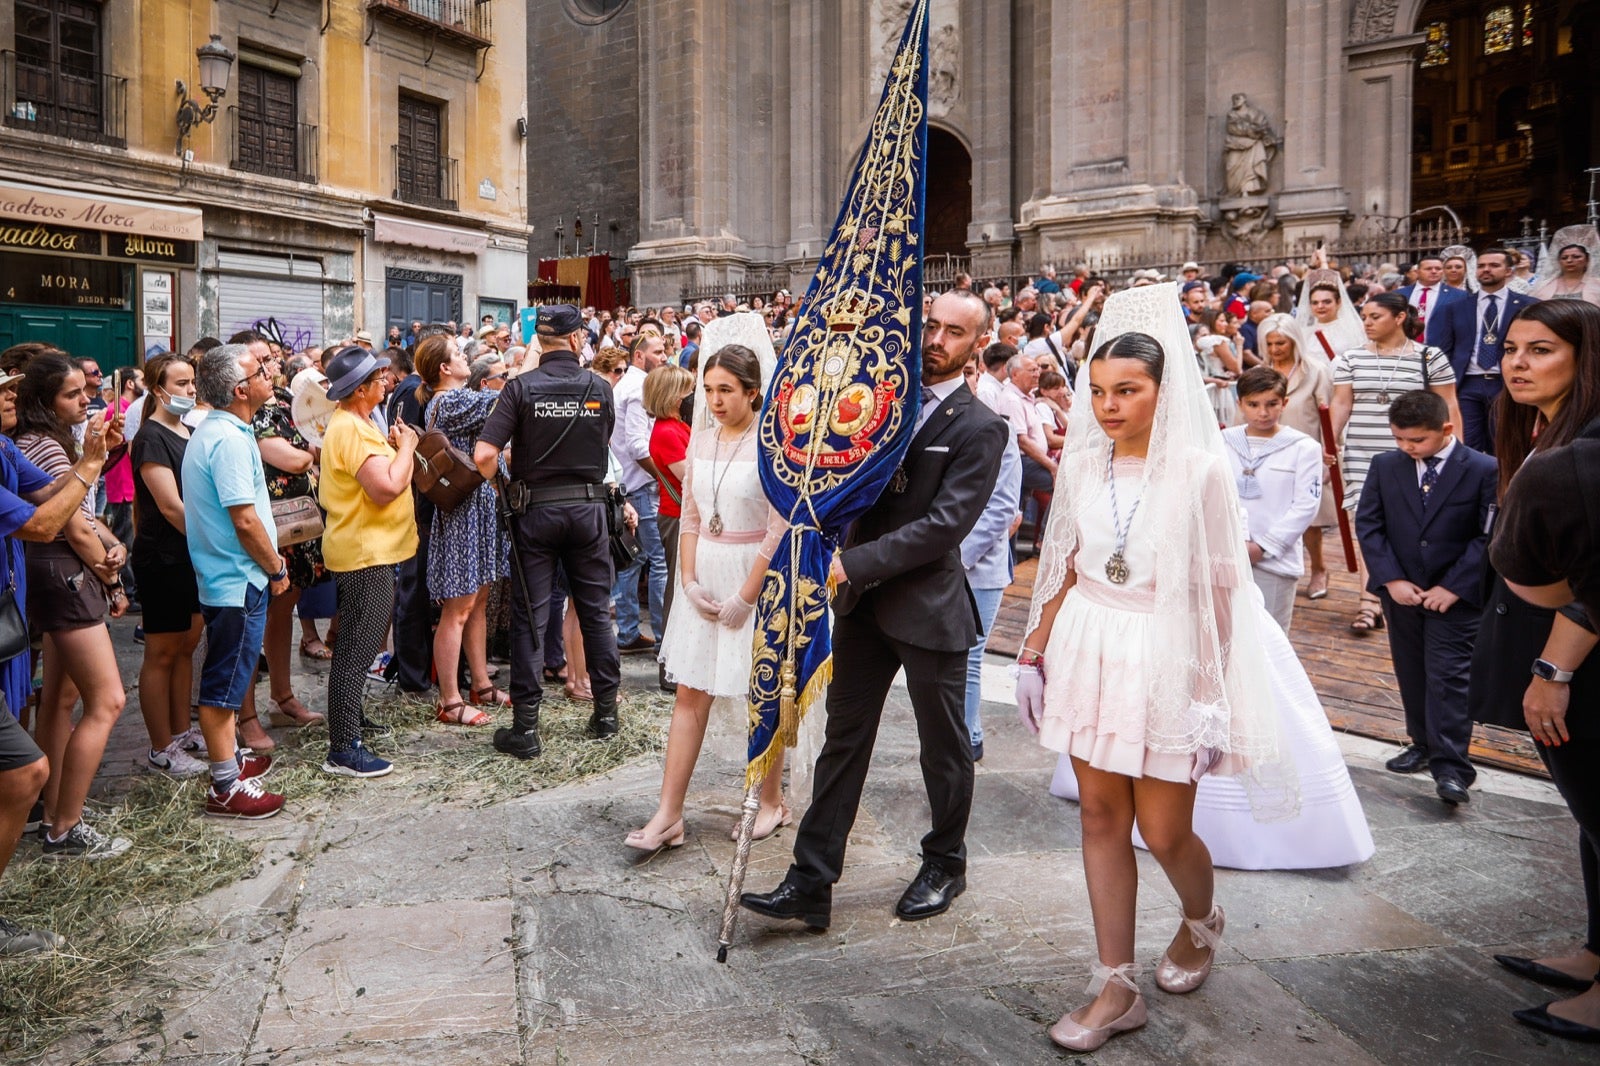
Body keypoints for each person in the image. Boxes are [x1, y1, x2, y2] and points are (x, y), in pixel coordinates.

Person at [1011, 284, 1288, 1051]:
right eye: (1097, 391)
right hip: (1089, 644)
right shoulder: (1079, 463)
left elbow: (1222, 595)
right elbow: (1061, 563)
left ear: (1166, 393)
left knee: (1165, 831)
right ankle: (1115, 983)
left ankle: (1202, 919)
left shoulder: (1200, 471)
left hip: (1167, 650)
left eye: (1126, 391)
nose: (1108, 405)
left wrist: (1211, 695)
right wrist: (1033, 651)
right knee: (1100, 815)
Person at [740, 289, 1007, 932]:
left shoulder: (980, 427)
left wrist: (852, 562)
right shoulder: (877, 407)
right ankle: (811, 880)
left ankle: (946, 861)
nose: (936, 339)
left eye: (954, 332)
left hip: (927, 608)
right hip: (860, 608)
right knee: (843, 742)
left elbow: (945, 526)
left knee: (942, 748)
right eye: (930, 326)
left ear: (978, 345)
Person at [1469, 299, 1600, 1042]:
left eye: (1541, 349)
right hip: (1559, 654)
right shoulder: (1552, 435)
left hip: (1580, 668)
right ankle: (1594, 950)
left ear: (1585, 359)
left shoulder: (1583, 453)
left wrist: (1554, 670)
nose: (1518, 363)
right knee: (1589, 820)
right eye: (1512, 348)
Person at [625, 343, 789, 851]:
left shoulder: (772, 445)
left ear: (752, 393)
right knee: (689, 693)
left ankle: (769, 802)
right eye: (710, 390)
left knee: (760, 693)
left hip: (753, 575)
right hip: (705, 573)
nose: (715, 401)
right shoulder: (700, 440)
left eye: (726, 391)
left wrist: (747, 593)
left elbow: (779, 525)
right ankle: (668, 813)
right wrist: (690, 582)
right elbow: (691, 517)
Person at [474, 305, 624, 756]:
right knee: (596, 612)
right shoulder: (600, 386)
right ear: (577, 339)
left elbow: (484, 455)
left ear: (541, 341)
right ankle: (606, 715)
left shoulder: (519, 388)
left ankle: (526, 728)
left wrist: (504, 489)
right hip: (588, 512)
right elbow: (603, 443)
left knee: (532, 616)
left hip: (535, 513)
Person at [1355, 390, 1495, 807]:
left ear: (1446, 429)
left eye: (1416, 440)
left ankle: (1452, 767)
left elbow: (1489, 534)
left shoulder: (1484, 469)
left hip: (1457, 596)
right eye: (1399, 439)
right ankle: (1420, 742)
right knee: (1411, 669)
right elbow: (1370, 524)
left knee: (1449, 676)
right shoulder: (1385, 466)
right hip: (1403, 594)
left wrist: (1453, 586)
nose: (1407, 448)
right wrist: (1392, 579)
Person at [180, 344, 287, 820]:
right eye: (260, 370)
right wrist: (276, 568)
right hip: (236, 579)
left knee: (229, 677)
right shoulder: (223, 438)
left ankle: (231, 763)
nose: (270, 373)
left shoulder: (229, 430)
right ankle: (225, 784)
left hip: (234, 578)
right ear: (240, 389)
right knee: (223, 688)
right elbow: (244, 521)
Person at [1330, 292, 1461, 632]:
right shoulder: (1350, 359)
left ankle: (1401, 592)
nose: (1367, 323)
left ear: (1400, 317)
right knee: (1367, 525)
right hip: (1361, 453)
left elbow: (1449, 404)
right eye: (1365, 317)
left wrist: (1457, 450)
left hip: (1410, 451)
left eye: (1375, 316)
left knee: (1408, 524)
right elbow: (1341, 404)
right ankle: (1368, 602)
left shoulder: (1430, 357)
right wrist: (1328, 443)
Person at [317, 346, 419, 777]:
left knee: (356, 643)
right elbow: (386, 487)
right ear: (360, 390)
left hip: (371, 550)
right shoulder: (352, 431)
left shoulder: (356, 423)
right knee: (357, 649)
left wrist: (396, 446)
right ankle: (343, 747)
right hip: (365, 554)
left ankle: (350, 723)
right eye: (379, 380)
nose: (386, 384)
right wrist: (409, 446)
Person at [415, 334, 510, 725]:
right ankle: (450, 700)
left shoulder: (453, 400)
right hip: (462, 513)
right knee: (457, 609)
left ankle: (482, 683)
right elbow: (503, 401)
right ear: (444, 369)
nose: (465, 357)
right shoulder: (448, 401)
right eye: (458, 354)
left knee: (478, 602)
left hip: (480, 509)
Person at [131, 354, 208, 776]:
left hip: (190, 556)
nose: (190, 390)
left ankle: (181, 731)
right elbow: (169, 505)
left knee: (185, 647)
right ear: (158, 390)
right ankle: (161, 745)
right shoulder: (150, 437)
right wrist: (212, 539)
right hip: (163, 557)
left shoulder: (190, 430)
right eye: (181, 384)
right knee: (161, 653)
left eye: (192, 382)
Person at [248, 343, 326, 736]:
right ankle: (244, 716)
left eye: (272, 357)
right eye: (260, 360)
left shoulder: (285, 399)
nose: (270, 364)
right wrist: (308, 453)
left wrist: (309, 450)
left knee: (285, 608)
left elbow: (316, 437)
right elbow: (294, 457)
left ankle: (283, 696)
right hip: (267, 523)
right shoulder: (247, 410)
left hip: (298, 521)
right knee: (253, 614)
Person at [1221, 367, 1324, 632]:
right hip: (1227, 555)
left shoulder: (1303, 447)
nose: (1263, 413)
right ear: (1239, 403)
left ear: (1284, 403)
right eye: (1253, 404)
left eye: (1271, 404)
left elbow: (1305, 506)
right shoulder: (1223, 442)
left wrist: (1263, 546)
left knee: (1270, 639)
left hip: (1274, 559)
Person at [1425, 247, 1540, 453]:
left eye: (1494, 265)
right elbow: (1443, 350)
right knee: (1467, 444)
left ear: (1509, 272)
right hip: (1467, 383)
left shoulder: (1527, 306)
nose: (1486, 270)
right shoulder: (1456, 307)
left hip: (1506, 383)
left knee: (1505, 443)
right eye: (1481, 266)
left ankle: (1504, 484)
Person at [1256, 314, 1337, 600]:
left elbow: (1330, 415)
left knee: (1311, 519)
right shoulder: (1260, 371)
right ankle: (1274, 569)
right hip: (1267, 451)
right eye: (1270, 343)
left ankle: (1319, 568)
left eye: (1282, 343)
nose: (1276, 348)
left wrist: (1330, 449)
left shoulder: (1315, 371)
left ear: (1294, 342)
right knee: (1270, 513)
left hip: (1306, 448)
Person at [959, 402, 1021, 762]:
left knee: (969, 657)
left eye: (972, 372)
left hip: (979, 566)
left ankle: (970, 738)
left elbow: (1002, 509)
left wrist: (956, 555)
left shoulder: (1001, 429)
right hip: (937, 561)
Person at [610, 333, 670, 655]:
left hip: (630, 484)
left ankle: (629, 633)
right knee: (658, 562)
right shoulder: (638, 388)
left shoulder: (632, 385)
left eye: (664, 351)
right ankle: (664, 641)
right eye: (658, 352)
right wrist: (664, 477)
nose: (664, 357)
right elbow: (636, 445)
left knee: (634, 560)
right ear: (638, 357)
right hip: (641, 485)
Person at [645, 364, 694, 694]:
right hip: (676, 515)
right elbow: (689, 476)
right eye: (687, 391)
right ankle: (671, 668)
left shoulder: (675, 426)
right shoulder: (666, 432)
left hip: (679, 514)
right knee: (678, 591)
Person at [1295, 268, 1365, 362]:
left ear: (1338, 303)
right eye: (1315, 303)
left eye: (1327, 302)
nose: (1320, 306)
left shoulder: (1352, 329)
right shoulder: (1304, 332)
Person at [1396, 254, 1469, 345]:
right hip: (1405, 348)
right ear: (1417, 271)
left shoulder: (1458, 295)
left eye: (1438, 269)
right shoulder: (1400, 294)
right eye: (1428, 269)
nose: (1434, 271)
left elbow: (1463, 329)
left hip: (1440, 351)